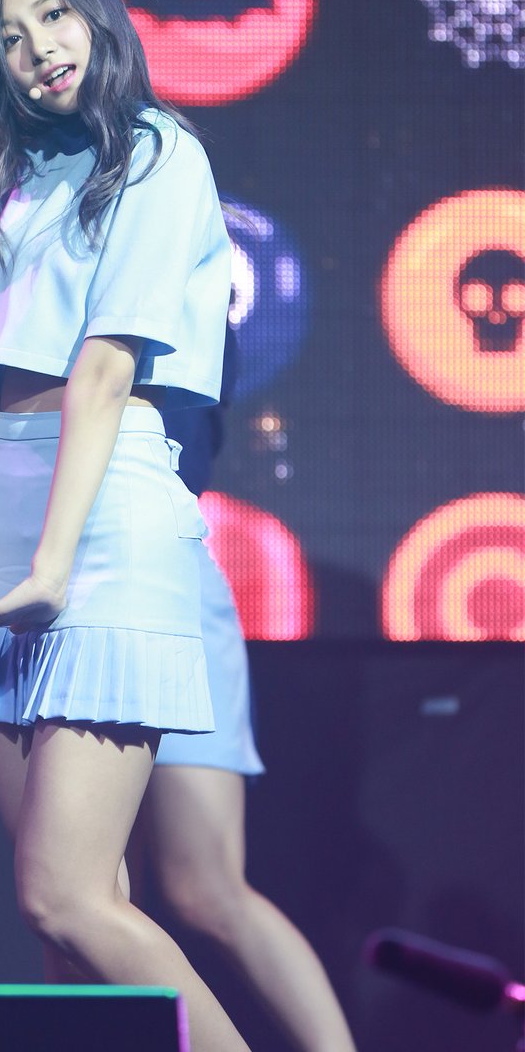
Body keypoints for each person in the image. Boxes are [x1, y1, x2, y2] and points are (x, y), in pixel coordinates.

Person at [0, 0, 251, 1051]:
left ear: (97, 12)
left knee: (66, 898)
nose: (38, 50)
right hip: (4, 534)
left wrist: (52, 568)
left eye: (52, 16)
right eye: (9, 39)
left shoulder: (158, 150)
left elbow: (103, 370)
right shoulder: (6, 185)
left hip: (104, 521)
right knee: (64, 935)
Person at [140, 364, 358, 1052]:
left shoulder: (175, 307)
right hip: (62, 592)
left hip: (162, 578)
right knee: (72, 897)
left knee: (204, 888)